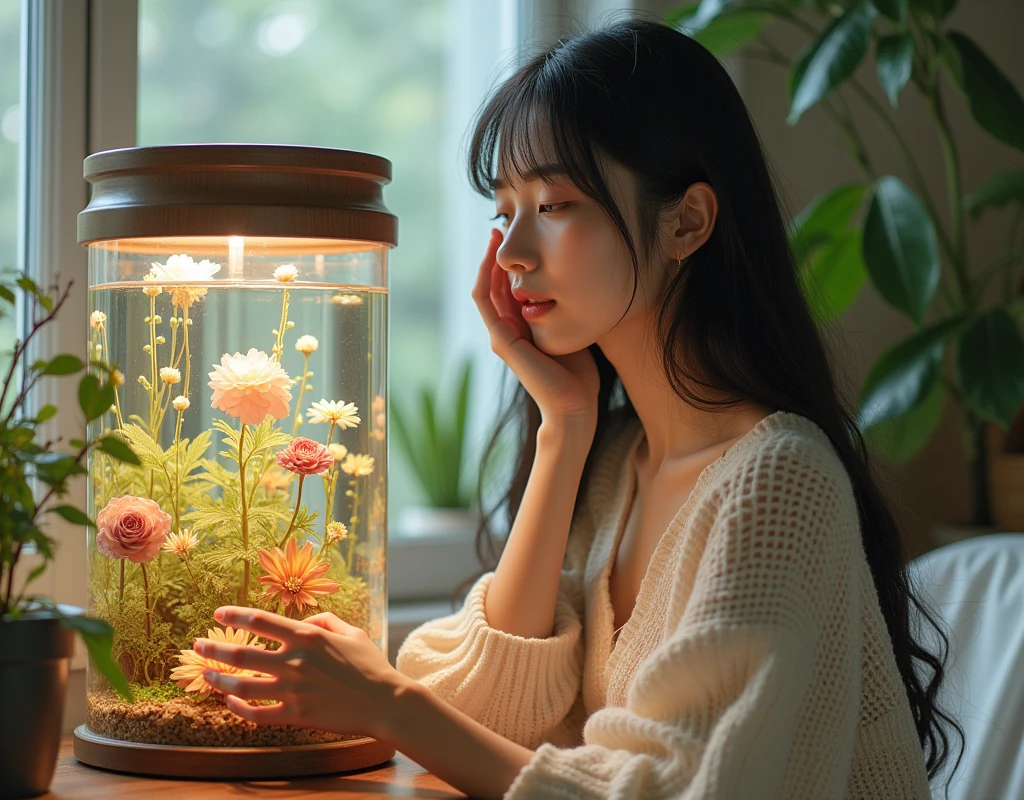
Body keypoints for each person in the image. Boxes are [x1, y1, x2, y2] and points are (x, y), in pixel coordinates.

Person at [197, 17, 965, 799]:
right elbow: (489, 714)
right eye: (504, 209)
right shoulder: (611, 464)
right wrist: (563, 429)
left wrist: (389, 703)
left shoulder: (779, 478)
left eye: (556, 204)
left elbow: (673, 790)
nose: (511, 253)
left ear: (688, 221)